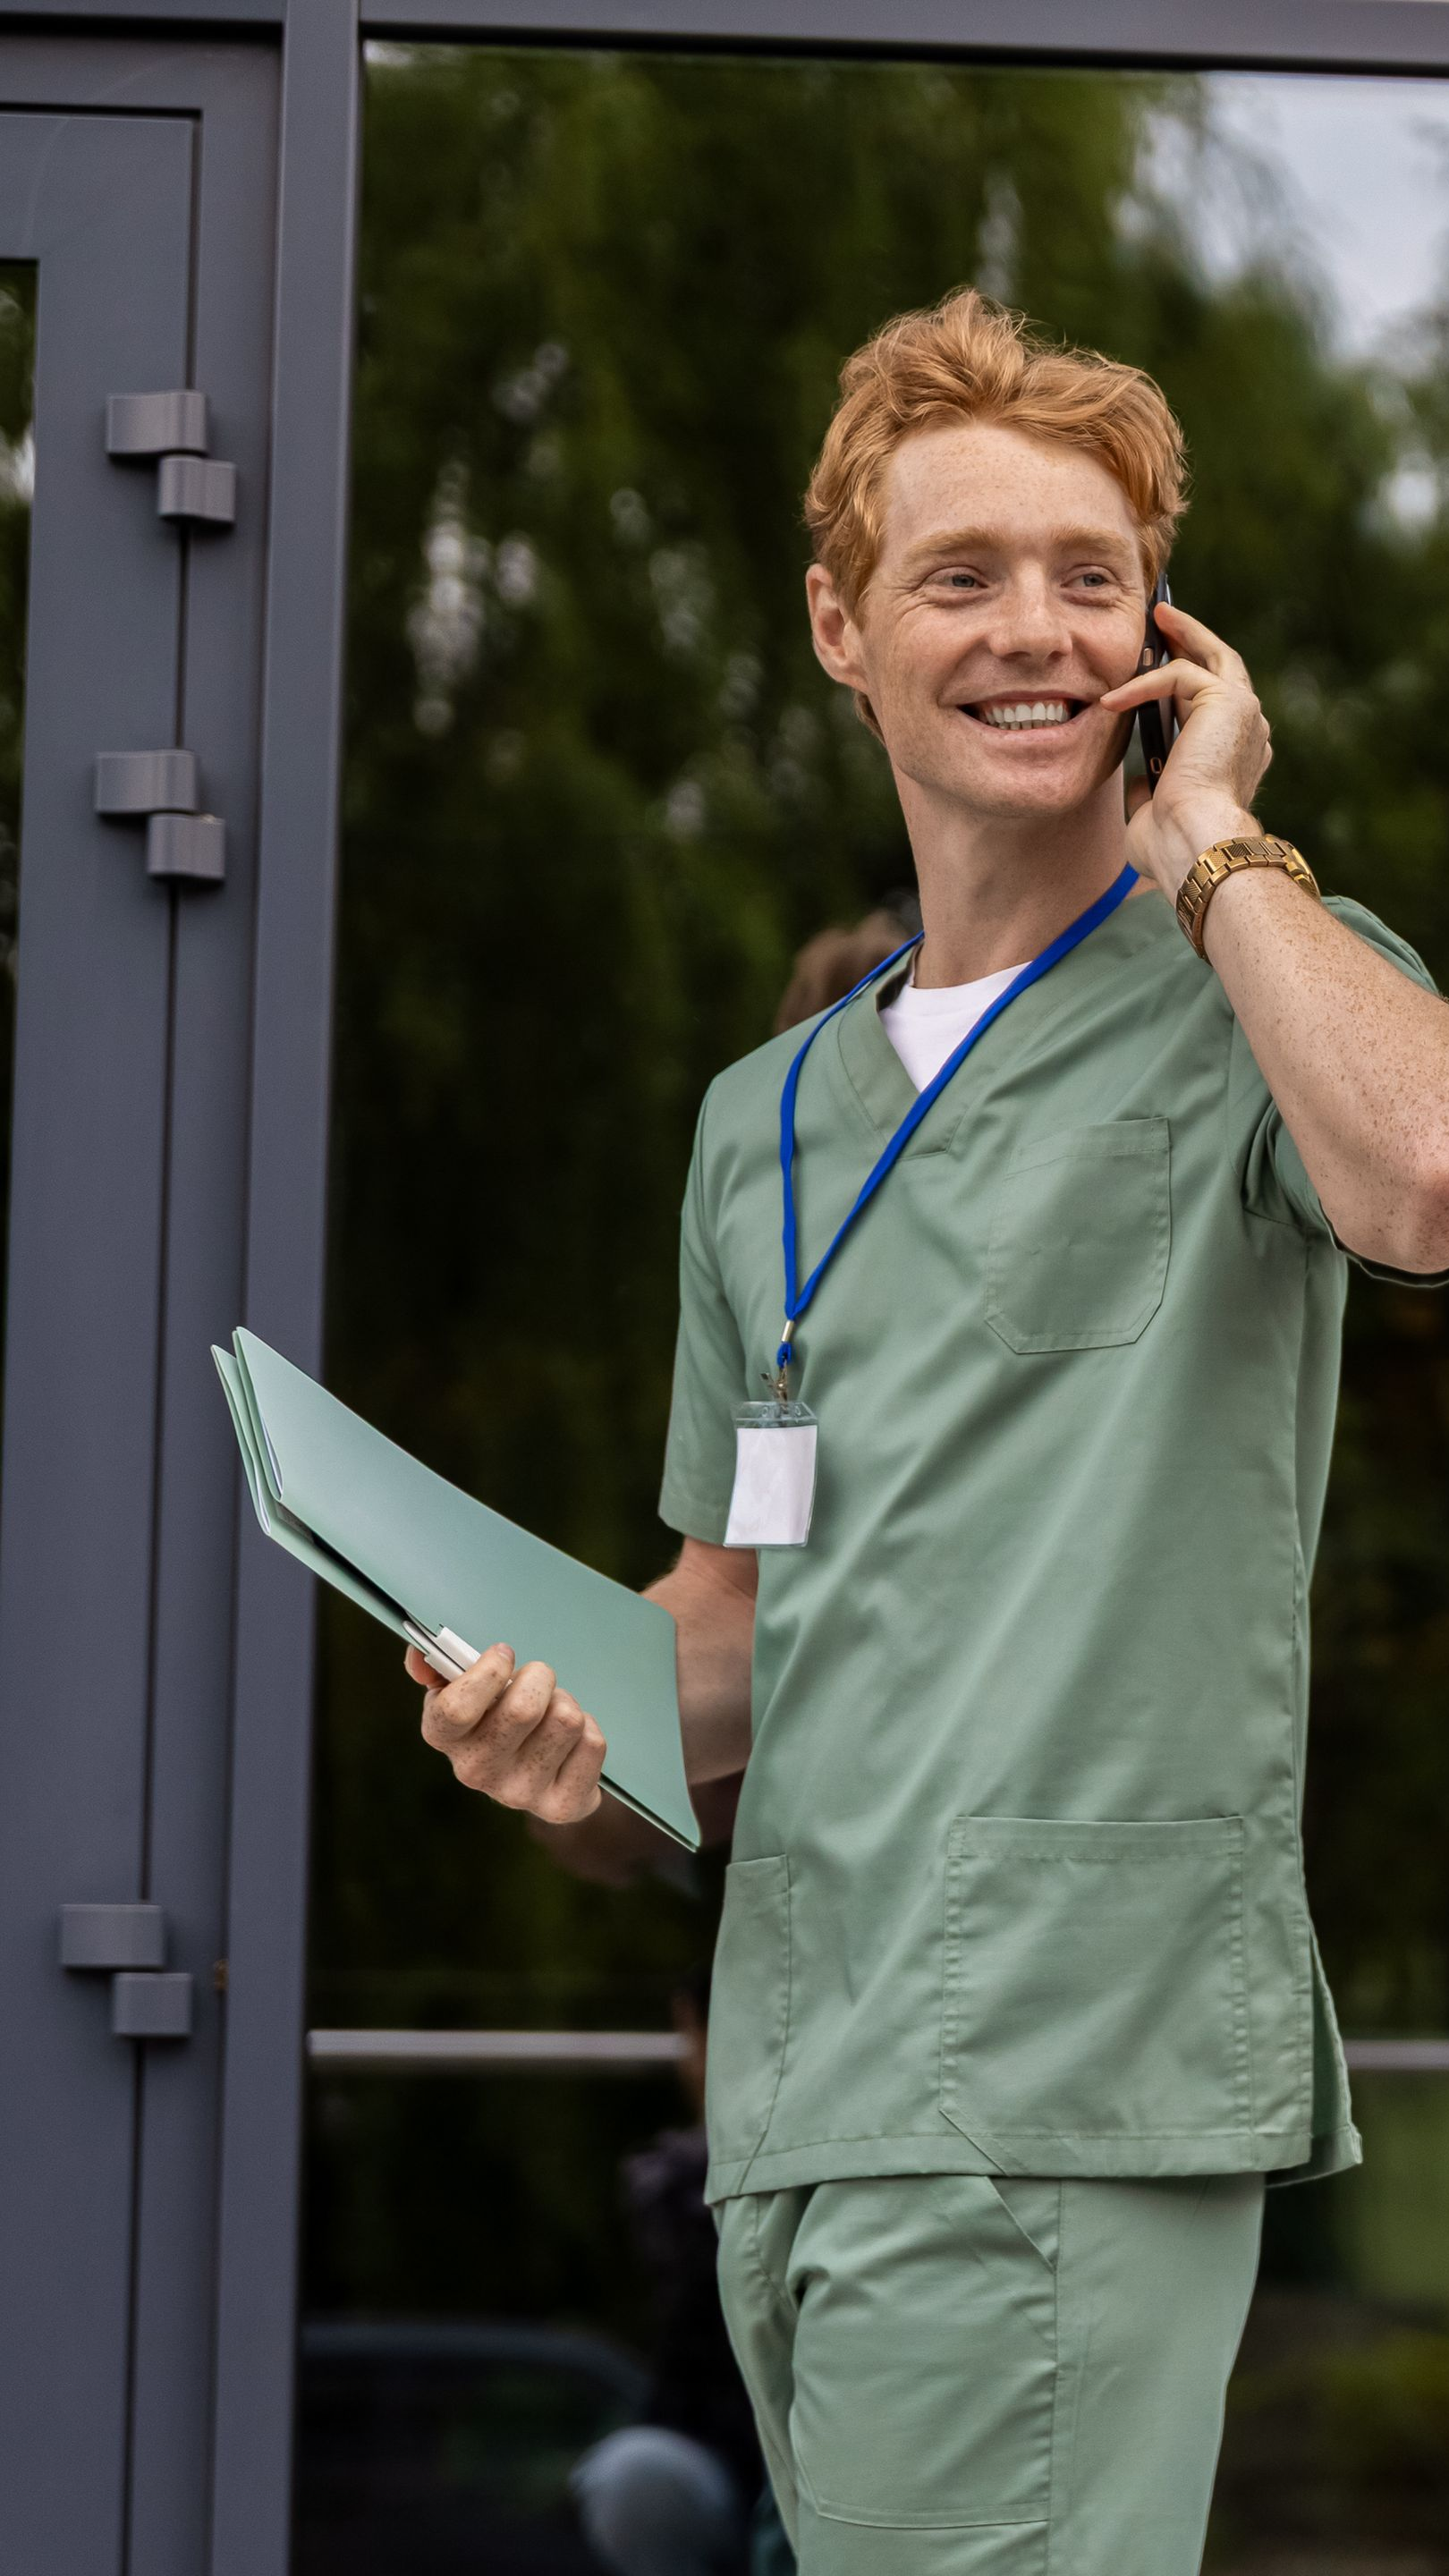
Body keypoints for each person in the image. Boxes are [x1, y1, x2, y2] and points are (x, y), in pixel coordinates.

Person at [405, 287, 1449, 2572]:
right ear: (837, 628)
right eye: (958, 574)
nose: (1033, 628)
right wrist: (548, 1742)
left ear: (1164, 631)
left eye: (1091, 573)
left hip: (1059, 2081)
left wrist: (1219, 846)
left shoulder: (1246, 972)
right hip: (802, 2092)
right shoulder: (756, 1122)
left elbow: (1427, 1175)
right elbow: (733, 1634)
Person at [570, 1968, 760, 2576]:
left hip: (828, 2461)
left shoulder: (693, 2189)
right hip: (743, 2468)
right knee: (635, 2476)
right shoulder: (683, 2190)